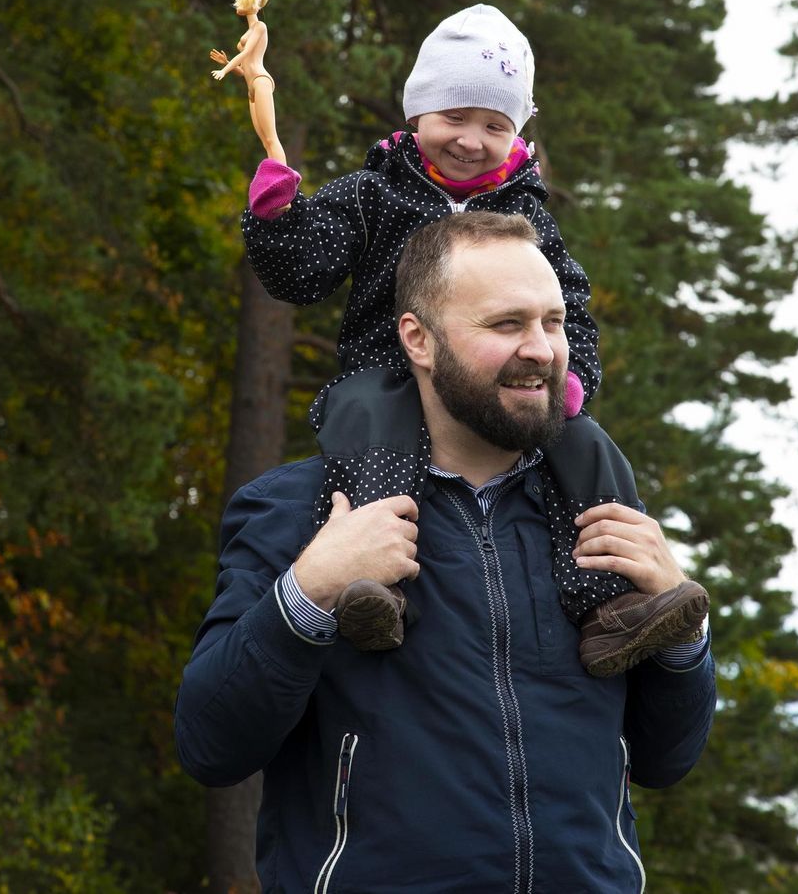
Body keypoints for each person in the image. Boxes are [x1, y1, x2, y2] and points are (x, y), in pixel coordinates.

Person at [175, 213, 716, 894]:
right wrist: (309, 589)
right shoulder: (297, 510)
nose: (543, 349)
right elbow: (209, 742)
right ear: (418, 339)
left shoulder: (600, 519)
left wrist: (682, 639)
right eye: (506, 324)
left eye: (553, 322)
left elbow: (667, 758)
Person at [240, 1, 707, 671]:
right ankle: (377, 587)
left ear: (516, 132)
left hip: (496, 381)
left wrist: (569, 376)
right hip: (387, 371)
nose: (469, 138)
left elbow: (568, 301)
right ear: (418, 112)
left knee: (585, 442)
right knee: (362, 416)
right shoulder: (373, 193)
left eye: (493, 124)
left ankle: (610, 606)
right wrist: (279, 216)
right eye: (454, 116)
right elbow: (301, 274)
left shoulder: (526, 214)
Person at [209, 0, 286, 163]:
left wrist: (224, 70)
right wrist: (229, 63)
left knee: (271, 137)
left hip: (261, 81)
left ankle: (286, 184)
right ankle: (275, 181)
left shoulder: (260, 27)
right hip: (250, 87)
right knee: (265, 142)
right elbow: (244, 71)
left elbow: (247, 54)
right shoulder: (247, 32)